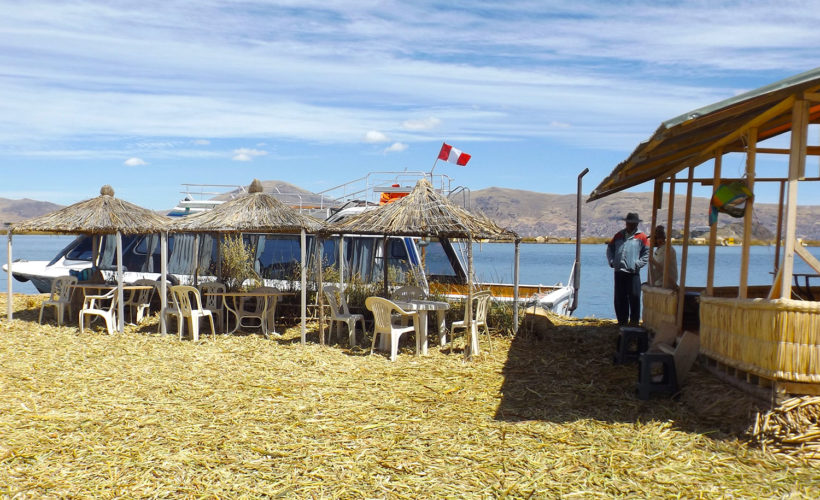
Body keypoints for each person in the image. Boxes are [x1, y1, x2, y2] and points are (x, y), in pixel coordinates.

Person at [606, 212, 649, 325]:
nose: (630, 225)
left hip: (633, 273)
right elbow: (610, 248)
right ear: (626, 223)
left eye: (633, 223)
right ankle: (622, 321)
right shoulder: (618, 235)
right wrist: (612, 261)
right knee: (620, 298)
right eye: (629, 223)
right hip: (619, 272)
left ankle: (634, 322)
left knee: (634, 298)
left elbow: (647, 254)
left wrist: (637, 264)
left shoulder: (642, 237)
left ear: (636, 224)